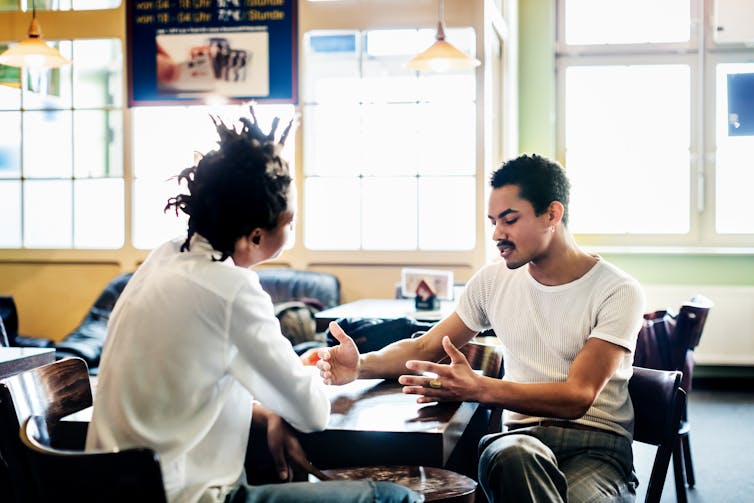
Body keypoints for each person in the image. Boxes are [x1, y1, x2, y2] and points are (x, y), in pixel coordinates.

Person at [86, 106, 422, 503]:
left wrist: (268, 410)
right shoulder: (230, 289)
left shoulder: (164, 257)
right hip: (183, 496)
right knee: (394, 498)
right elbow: (313, 413)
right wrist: (315, 370)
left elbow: (191, 383)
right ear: (255, 236)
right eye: (290, 221)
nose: (294, 227)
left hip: (108, 487)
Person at [318, 154, 645, 502]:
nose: (496, 234)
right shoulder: (492, 281)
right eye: (493, 222)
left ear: (552, 214)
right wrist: (361, 365)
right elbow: (426, 347)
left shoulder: (617, 290)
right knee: (515, 453)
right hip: (519, 442)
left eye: (509, 220)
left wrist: (478, 388)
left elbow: (578, 396)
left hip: (597, 449)